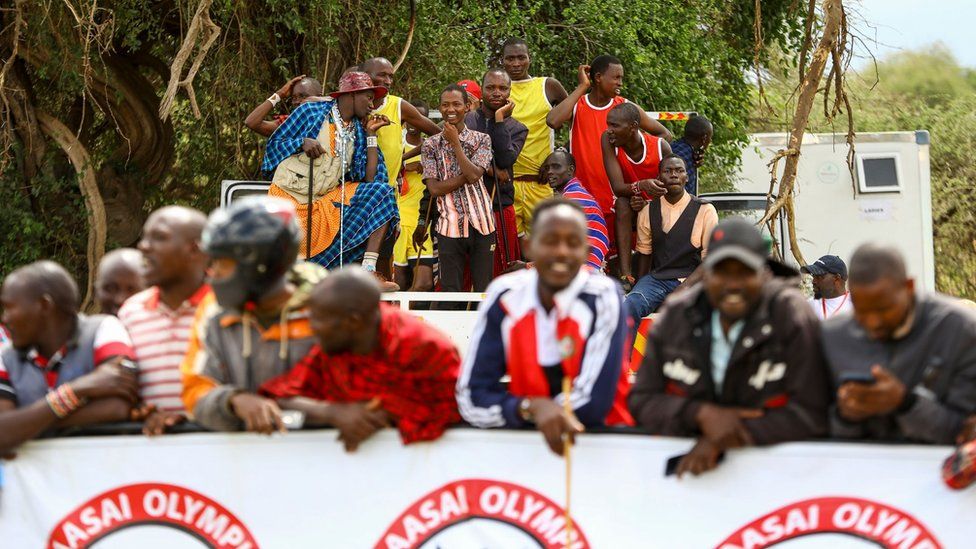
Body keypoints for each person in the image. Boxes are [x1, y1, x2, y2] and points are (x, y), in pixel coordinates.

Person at [628, 218, 830, 477]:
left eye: (744, 272)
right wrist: (700, 414)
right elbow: (642, 401)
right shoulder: (677, 317)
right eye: (721, 271)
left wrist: (730, 434)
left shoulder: (790, 315)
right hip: (690, 476)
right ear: (705, 273)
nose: (732, 284)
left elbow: (814, 410)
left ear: (765, 272)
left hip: (777, 477)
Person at [457, 198, 632, 456]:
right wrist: (529, 408)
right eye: (550, 241)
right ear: (529, 247)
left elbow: (594, 404)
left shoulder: (603, 297)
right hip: (526, 453)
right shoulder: (504, 296)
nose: (561, 251)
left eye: (572, 243)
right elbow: (472, 398)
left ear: (586, 251)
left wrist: (533, 410)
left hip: (601, 449)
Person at [260, 268, 461, 451]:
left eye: (319, 318)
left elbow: (455, 410)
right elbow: (279, 395)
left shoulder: (426, 348)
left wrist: (385, 413)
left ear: (353, 322)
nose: (312, 327)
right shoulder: (334, 345)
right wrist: (333, 412)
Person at [181, 197, 327, 433]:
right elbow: (195, 390)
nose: (212, 273)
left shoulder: (328, 308)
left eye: (223, 263)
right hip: (239, 460)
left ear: (262, 263)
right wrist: (232, 401)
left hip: (327, 456)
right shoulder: (213, 310)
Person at [823, 243, 976, 444]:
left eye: (884, 309)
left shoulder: (960, 331)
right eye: (861, 310)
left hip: (936, 470)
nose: (872, 322)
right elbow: (814, 427)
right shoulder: (832, 336)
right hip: (858, 469)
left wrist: (905, 403)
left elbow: (964, 433)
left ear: (909, 287)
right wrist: (845, 417)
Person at [261, 71, 399, 290]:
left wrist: (371, 134)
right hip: (290, 201)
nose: (373, 105)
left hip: (324, 201)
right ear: (353, 94)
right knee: (288, 272)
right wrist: (301, 142)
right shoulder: (311, 112)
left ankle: (368, 270)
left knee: (381, 192)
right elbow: (275, 144)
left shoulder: (359, 131)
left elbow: (371, 178)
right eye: (369, 98)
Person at [0, 261, 139, 455]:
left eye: (9, 307)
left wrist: (25, 426)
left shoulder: (105, 328)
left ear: (44, 305)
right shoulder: (5, 356)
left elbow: (116, 407)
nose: (5, 319)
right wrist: (76, 390)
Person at [546, 55, 672, 256]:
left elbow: (664, 135)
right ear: (598, 78)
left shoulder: (624, 107)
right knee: (588, 261)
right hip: (585, 199)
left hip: (619, 197)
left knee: (619, 261)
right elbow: (553, 120)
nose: (620, 83)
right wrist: (581, 87)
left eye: (621, 78)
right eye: (616, 78)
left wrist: (641, 170)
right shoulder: (579, 105)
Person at [118, 206, 209, 436]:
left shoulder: (227, 309)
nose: (144, 246)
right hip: (152, 458)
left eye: (159, 238)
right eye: (144, 238)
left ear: (194, 250)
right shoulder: (131, 312)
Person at [624, 155, 718, 332]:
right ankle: (623, 360)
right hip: (658, 279)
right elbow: (644, 253)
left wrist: (684, 288)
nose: (674, 175)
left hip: (693, 278)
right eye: (668, 171)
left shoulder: (705, 210)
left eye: (679, 170)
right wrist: (639, 286)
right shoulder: (648, 210)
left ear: (686, 177)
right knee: (630, 305)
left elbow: (711, 261)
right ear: (659, 178)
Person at [421, 84, 496, 294]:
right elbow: (434, 189)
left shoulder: (482, 139)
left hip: (482, 221)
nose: (450, 109)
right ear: (440, 108)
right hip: (448, 224)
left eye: (456, 104)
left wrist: (455, 144)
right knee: (450, 289)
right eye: (445, 105)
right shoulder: (430, 145)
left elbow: (474, 176)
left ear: (467, 107)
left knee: (483, 289)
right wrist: (470, 174)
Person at [500, 38, 569, 242]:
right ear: (502, 61)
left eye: (521, 57)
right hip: (506, 184)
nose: (516, 63)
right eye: (510, 58)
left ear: (529, 58)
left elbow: (576, 121)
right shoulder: (497, 89)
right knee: (510, 248)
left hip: (539, 183)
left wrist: (558, 158)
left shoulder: (547, 86)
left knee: (544, 245)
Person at [464, 68, 529, 275]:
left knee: (500, 270)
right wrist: (491, 170)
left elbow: (506, 159)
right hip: (466, 206)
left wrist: (499, 119)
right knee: (467, 272)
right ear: (482, 90)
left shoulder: (517, 128)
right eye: (490, 87)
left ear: (510, 92)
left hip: (498, 206)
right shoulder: (468, 121)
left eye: (502, 88)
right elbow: (460, 155)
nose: (496, 92)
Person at [602, 102, 673, 286]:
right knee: (622, 204)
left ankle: (660, 272)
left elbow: (673, 192)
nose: (609, 130)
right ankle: (626, 276)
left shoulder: (660, 147)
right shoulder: (609, 141)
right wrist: (640, 187)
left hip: (658, 207)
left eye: (615, 126)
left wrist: (647, 203)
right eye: (608, 124)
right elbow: (618, 187)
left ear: (633, 127)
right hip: (631, 204)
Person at [541, 149, 609, 271]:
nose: (550, 172)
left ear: (571, 170)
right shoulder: (575, 193)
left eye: (556, 167)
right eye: (547, 168)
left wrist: (528, 266)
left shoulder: (573, 198)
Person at [393, 100, 436, 291]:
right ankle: (394, 318)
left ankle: (405, 317)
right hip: (400, 218)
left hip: (421, 220)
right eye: (409, 118)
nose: (413, 123)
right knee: (399, 282)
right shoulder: (398, 144)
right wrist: (403, 165)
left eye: (418, 118)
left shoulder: (432, 147)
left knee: (424, 283)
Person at [94, 248, 146, 316]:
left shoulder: (162, 325)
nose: (120, 300)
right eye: (111, 289)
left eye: (131, 290)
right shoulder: (81, 326)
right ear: (95, 291)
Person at [669, 115, 713, 195]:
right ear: (704, 138)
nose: (710, 141)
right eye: (710, 138)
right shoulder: (684, 158)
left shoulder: (677, 147)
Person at [802, 254, 852, 320]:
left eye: (819, 277)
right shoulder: (809, 306)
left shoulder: (856, 306)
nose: (813, 281)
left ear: (836, 278)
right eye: (813, 276)